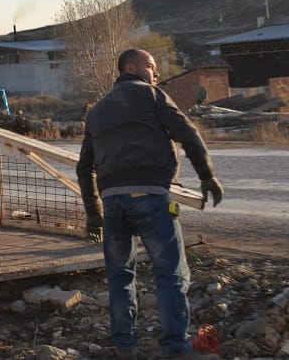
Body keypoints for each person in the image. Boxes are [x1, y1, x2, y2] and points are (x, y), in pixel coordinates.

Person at [76, 49, 224, 360]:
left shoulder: (97, 110)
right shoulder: (151, 96)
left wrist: (93, 214)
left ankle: (124, 347)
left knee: (119, 276)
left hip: (114, 203)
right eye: (151, 66)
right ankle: (176, 348)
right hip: (151, 198)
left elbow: (84, 167)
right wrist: (207, 176)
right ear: (131, 67)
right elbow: (188, 134)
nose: (155, 74)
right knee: (170, 274)